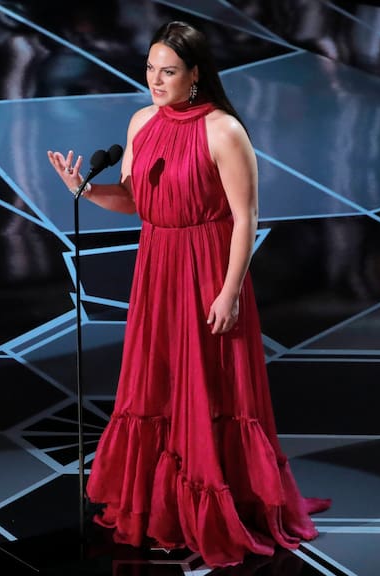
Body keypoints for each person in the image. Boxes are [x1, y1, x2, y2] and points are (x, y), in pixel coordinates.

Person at [47, 20, 330, 568]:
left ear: (195, 75)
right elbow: (133, 200)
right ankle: (162, 508)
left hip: (207, 272)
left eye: (169, 71)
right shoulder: (141, 122)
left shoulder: (223, 130)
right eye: (151, 69)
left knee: (209, 388)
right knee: (157, 384)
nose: (156, 80)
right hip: (156, 268)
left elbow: (246, 217)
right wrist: (83, 188)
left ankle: (218, 508)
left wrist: (230, 291)